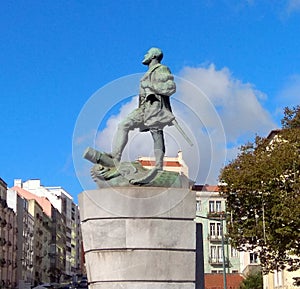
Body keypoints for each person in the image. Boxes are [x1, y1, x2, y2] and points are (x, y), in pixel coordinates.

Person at [110, 47, 176, 171]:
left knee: (156, 133)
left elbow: (170, 87)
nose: (145, 54)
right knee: (123, 125)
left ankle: (158, 166)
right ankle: (115, 157)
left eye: (148, 53)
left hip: (156, 107)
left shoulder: (162, 69)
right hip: (143, 108)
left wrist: (151, 85)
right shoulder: (148, 72)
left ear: (154, 56)